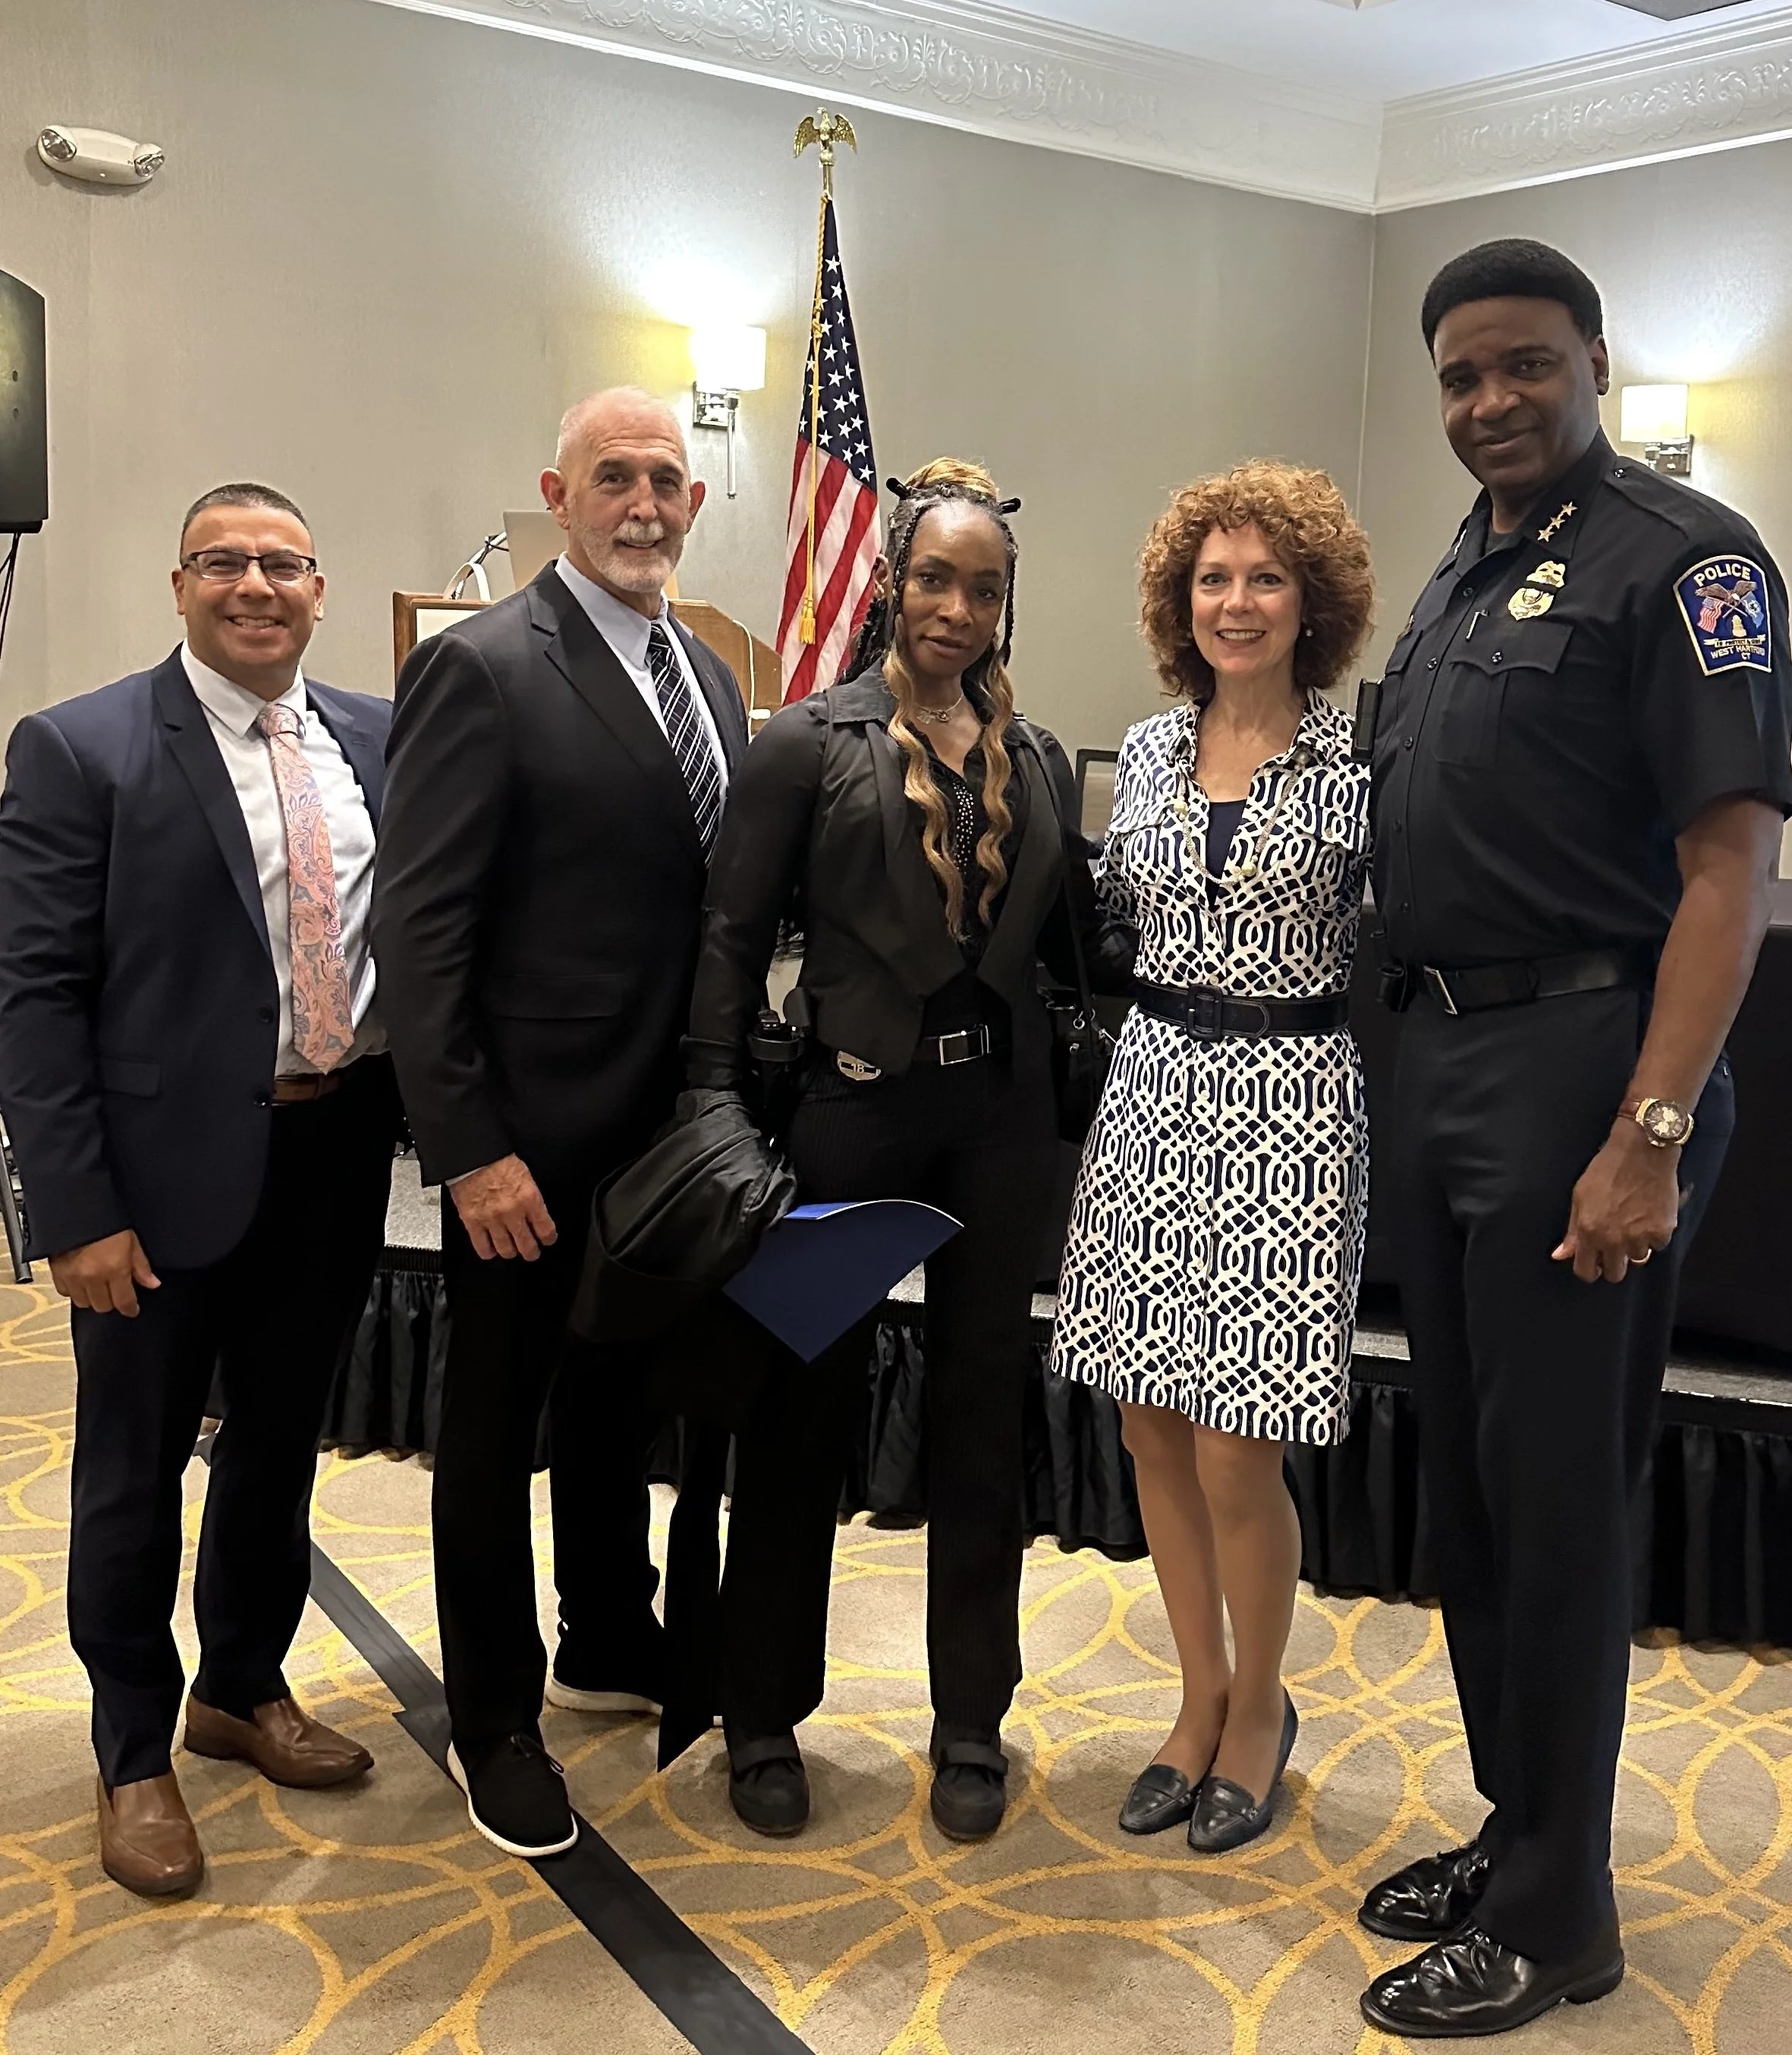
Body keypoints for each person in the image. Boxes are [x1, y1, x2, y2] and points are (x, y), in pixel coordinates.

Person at [1355, 240, 1792, 2039]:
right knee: (1469, 1489)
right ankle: (1516, 1821)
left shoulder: (1685, 560)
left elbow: (1727, 873)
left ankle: (1558, 1916)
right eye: (1459, 376)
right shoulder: (1461, 564)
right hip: (1449, 1064)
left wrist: (1647, 1135)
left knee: (1551, 1502)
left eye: (1522, 365)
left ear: (1593, 361)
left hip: (1587, 1069)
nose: (1488, 402)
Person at [684, 460, 1135, 1842]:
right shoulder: (803, 743)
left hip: (997, 1128)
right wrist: (712, 1107)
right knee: (798, 1414)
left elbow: (1075, 944)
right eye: (934, 578)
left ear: (1004, 604)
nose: (956, 608)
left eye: (982, 588)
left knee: (980, 1421)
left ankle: (970, 1719)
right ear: (890, 582)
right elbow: (729, 943)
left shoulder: (1035, 756)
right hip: (850, 1116)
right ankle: (762, 1714)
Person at [0, 485, 401, 1896]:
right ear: (178, 586)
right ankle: (131, 1752)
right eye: (221, 562)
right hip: (153, 1183)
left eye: (281, 563)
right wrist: (73, 1212)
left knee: (280, 1445)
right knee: (133, 1471)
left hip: (331, 1154)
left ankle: (240, 1686)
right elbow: (33, 998)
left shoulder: (378, 737)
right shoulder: (81, 747)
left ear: (319, 587)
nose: (254, 586)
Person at [373, 388, 748, 1859]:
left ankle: (606, 1629)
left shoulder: (703, 669)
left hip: (662, 1143)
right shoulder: (480, 666)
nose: (643, 503)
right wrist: (466, 1147)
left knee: (617, 1401)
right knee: (493, 1425)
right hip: (522, 1144)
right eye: (613, 478)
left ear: (692, 501)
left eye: (664, 479)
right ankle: (493, 1719)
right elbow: (421, 930)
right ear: (558, 494)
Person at [1052, 464, 1375, 1853]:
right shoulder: (1142, 749)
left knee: (1241, 1449)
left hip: (1291, 1102)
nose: (1235, 604)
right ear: (1178, 602)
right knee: (1148, 1425)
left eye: (1264, 578)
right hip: (1151, 1093)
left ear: (1312, 602)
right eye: (1212, 579)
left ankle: (1259, 1709)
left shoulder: (1360, 765)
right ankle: (1195, 1698)